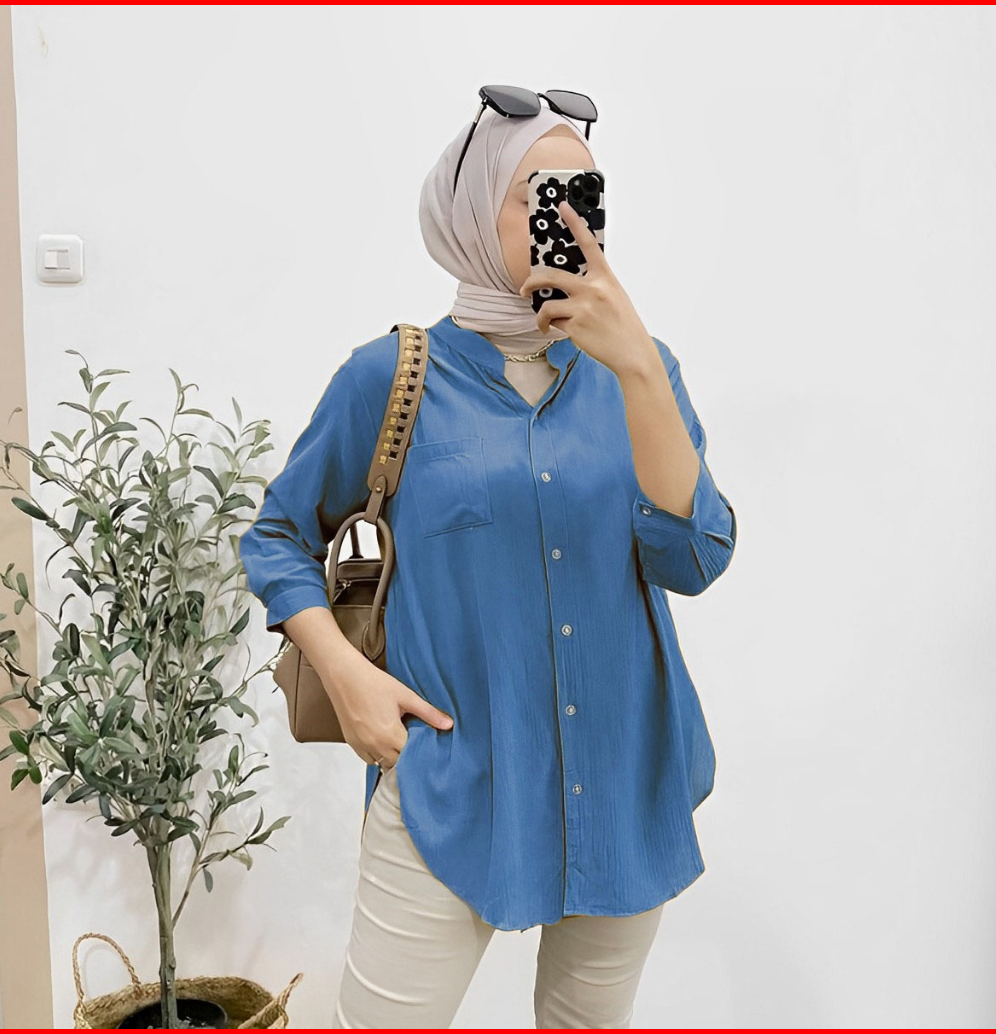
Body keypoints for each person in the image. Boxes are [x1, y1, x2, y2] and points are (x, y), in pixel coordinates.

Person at [238, 92, 737, 1029]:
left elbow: (695, 558)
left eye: (588, 191)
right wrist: (346, 675)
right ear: (471, 210)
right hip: (451, 778)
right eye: (543, 194)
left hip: (624, 773)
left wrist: (636, 367)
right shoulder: (391, 377)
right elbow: (277, 536)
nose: (573, 216)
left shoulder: (644, 371)